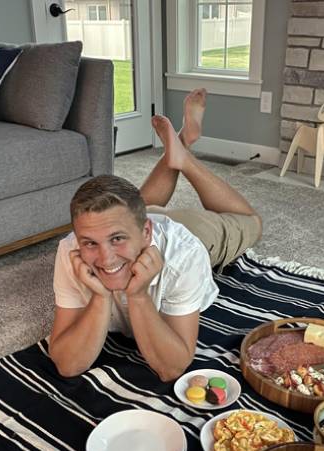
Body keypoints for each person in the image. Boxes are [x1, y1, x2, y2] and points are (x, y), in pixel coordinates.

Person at [49, 89, 262, 382]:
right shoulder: (70, 251)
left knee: (250, 221)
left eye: (116, 240)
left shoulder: (183, 255)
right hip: (138, 221)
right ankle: (180, 143)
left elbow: (172, 368)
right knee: (134, 206)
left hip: (193, 230)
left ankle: (184, 157)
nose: (105, 258)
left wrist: (137, 296)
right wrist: (100, 298)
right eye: (90, 243)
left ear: (147, 233)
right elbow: (67, 365)